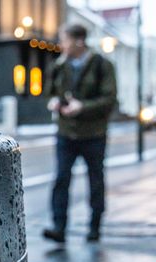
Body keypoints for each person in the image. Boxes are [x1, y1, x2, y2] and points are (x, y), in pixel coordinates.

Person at [42, 23, 118, 243]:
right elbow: (50, 92)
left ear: (79, 41)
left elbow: (109, 100)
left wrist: (82, 106)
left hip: (93, 134)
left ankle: (95, 226)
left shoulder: (102, 65)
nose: (61, 44)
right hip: (66, 133)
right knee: (61, 179)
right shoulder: (60, 65)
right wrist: (54, 101)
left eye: (64, 40)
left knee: (95, 179)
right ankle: (59, 227)